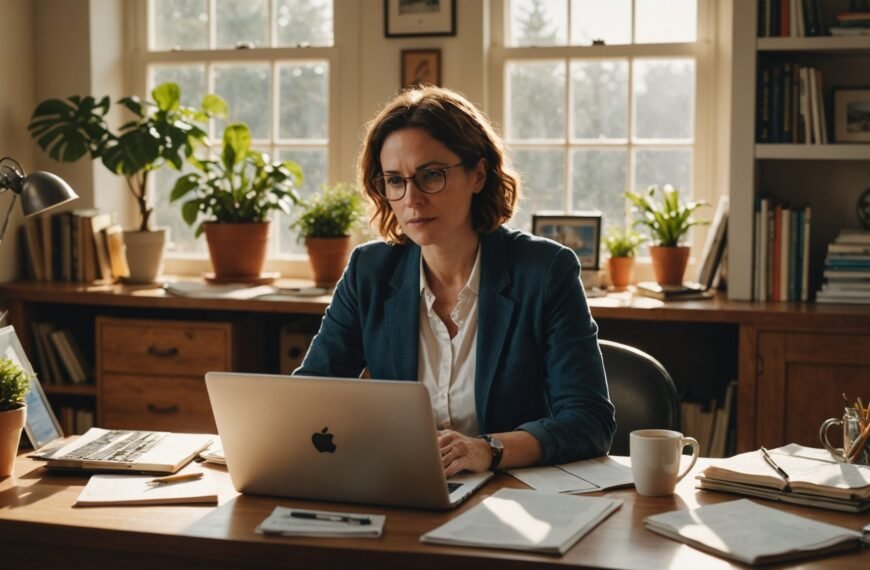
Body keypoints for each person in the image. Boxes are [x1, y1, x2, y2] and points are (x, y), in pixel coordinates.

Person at [295, 85, 615, 476]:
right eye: (395, 181)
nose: (411, 199)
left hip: (511, 491)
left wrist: (488, 449)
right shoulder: (370, 270)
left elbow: (589, 420)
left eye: (431, 175)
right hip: (401, 483)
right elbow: (311, 393)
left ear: (478, 174)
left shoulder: (545, 271)